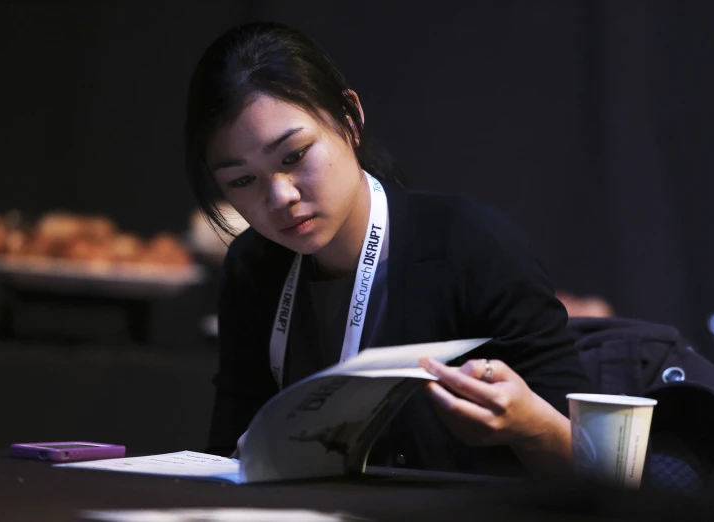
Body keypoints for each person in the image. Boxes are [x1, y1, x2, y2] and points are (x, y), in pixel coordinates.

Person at [185, 21, 592, 477]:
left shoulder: (470, 246)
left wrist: (529, 426)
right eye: (242, 180)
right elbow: (227, 454)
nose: (280, 197)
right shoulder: (253, 267)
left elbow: (601, 469)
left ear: (349, 118)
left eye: (294, 156)